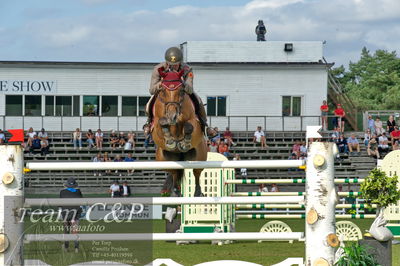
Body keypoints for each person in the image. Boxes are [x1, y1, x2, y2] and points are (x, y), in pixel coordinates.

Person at [147, 46, 215, 137]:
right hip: (164, 93)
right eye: (170, 64)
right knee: (149, 102)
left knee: (198, 99)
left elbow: (190, 89)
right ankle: (149, 122)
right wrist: (163, 83)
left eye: (176, 64)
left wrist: (180, 82)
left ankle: (205, 125)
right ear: (166, 62)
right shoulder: (158, 69)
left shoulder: (187, 69)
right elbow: (152, 90)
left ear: (180, 62)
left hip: (181, 93)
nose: (173, 66)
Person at [60, 177, 83, 253]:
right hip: (75, 213)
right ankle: (76, 248)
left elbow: (60, 203)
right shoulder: (78, 191)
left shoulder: (62, 192)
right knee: (75, 231)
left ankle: (66, 247)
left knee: (66, 231)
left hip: (66, 214)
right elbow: (81, 202)